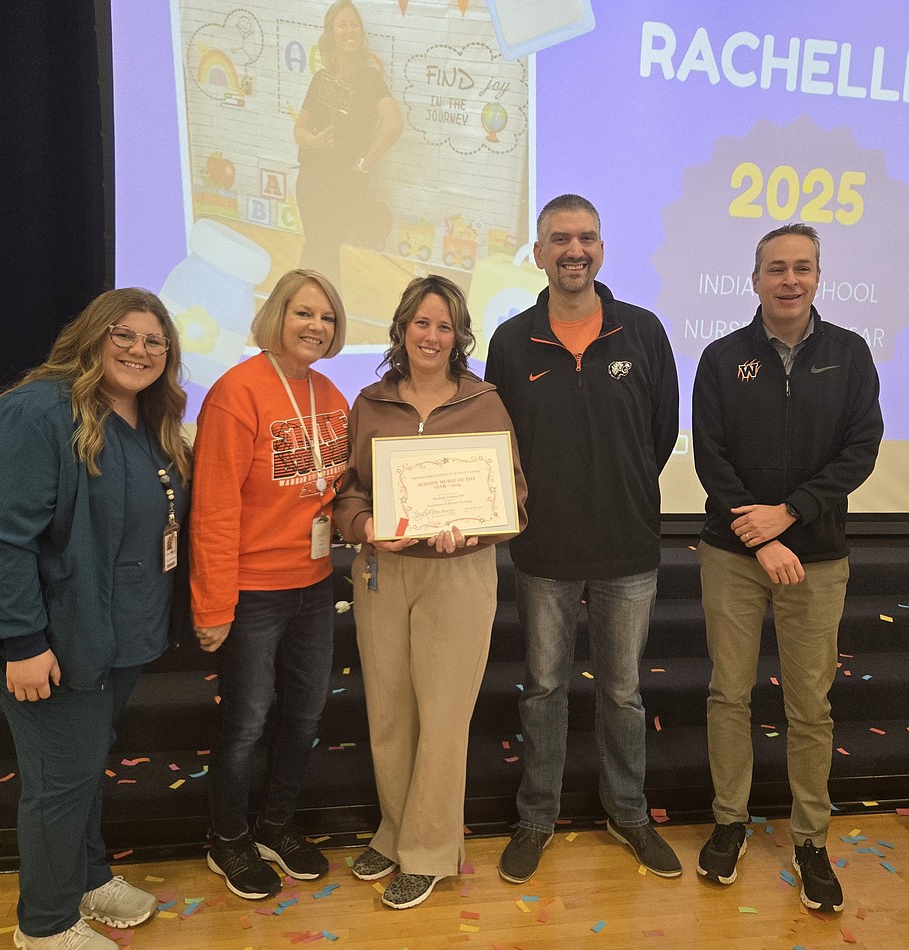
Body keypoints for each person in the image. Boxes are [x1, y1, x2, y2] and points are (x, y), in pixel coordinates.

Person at [0, 289, 192, 950]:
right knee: (60, 783)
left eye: (153, 340)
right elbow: (3, 542)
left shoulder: (148, 419)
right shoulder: (34, 413)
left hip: (114, 635)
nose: (139, 350)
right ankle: (46, 926)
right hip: (51, 639)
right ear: (91, 335)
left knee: (82, 767)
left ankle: (88, 878)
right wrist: (23, 642)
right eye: (124, 334)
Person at [484, 194, 681, 882]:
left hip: (628, 546)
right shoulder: (510, 341)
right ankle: (536, 817)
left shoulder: (644, 331)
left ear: (602, 249)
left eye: (587, 238)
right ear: (537, 253)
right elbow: (498, 446)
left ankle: (628, 812)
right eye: (559, 239)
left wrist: (616, 487)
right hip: (544, 552)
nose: (574, 250)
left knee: (623, 692)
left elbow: (657, 437)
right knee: (542, 689)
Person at [692, 223, 882, 912]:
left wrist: (791, 516)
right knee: (729, 694)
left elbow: (861, 449)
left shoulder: (852, 355)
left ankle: (810, 840)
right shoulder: (721, 358)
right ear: (755, 279)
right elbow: (711, 458)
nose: (789, 279)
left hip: (819, 557)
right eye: (777, 268)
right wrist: (760, 536)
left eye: (802, 267)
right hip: (733, 554)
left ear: (818, 277)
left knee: (810, 707)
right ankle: (728, 822)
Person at [335, 275, 528, 909]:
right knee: (390, 713)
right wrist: (362, 525)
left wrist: (469, 533)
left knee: (444, 716)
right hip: (383, 571)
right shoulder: (369, 402)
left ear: (459, 336)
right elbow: (350, 490)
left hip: (459, 574)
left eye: (444, 326)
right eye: (421, 323)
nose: (432, 336)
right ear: (401, 329)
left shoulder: (485, 402)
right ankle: (395, 834)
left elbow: (514, 500)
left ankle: (428, 852)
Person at [192, 269, 351, 900]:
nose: (316, 326)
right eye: (303, 313)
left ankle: (277, 826)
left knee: (305, 712)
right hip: (251, 592)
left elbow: (338, 492)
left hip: (313, 584)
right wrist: (213, 604)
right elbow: (213, 509)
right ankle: (227, 837)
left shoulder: (333, 396)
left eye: (328, 318)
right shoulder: (236, 393)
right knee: (248, 720)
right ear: (276, 316)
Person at [294, 0, 403, 285]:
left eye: (354, 23)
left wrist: (366, 163)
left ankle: (303, 309)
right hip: (311, 181)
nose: (350, 29)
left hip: (344, 186)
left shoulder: (370, 79)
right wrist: (314, 143)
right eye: (342, 24)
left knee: (320, 253)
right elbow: (300, 130)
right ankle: (326, 316)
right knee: (321, 253)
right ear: (331, 35)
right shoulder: (320, 78)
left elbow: (394, 124)